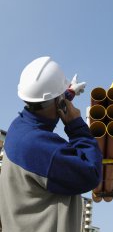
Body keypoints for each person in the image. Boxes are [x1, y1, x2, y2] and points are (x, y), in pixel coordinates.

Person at [0, 56, 103, 232]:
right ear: (57, 102)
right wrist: (76, 125)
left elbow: (43, 107)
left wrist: (67, 94)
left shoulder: (20, 128)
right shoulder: (41, 148)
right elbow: (91, 173)